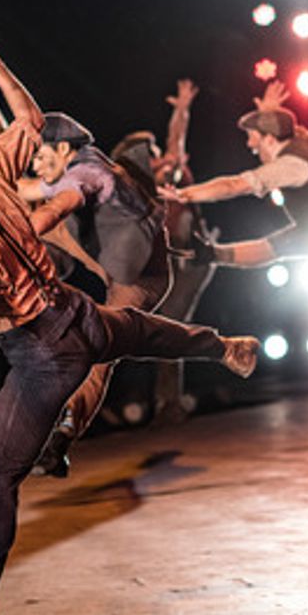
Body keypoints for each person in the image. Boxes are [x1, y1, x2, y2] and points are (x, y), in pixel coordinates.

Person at [0, 18, 261, 615]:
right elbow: (28, 114)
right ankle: (223, 346)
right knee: (138, 334)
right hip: (79, 313)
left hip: (41, 355)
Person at [13, 110, 173, 477]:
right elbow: (24, 189)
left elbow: (56, 205)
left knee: (100, 353)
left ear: (65, 149)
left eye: (40, 155)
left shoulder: (84, 174)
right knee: (26, 231)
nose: (35, 164)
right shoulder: (78, 165)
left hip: (140, 280)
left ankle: (61, 439)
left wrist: (27, 228)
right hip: (111, 257)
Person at [156, 82, 308, 267]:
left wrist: (184, 194)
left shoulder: (289, 165)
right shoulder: (305, 138)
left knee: (287, 243)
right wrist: (272, 112)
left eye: (255, 142)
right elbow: (297, 128)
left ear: (270, 140)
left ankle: (213, 254)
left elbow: (234, 185)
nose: (252, 147)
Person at [111, 78, 218, 425]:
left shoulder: (168, 172)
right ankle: (148, 398)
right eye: (151, 155)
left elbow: (176, 141)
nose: (160, 158)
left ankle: (167, 401)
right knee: (155, 331)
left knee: (174, 327)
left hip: (191, 260)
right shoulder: (136, 185)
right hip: (163, 263)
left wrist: (182, 109)